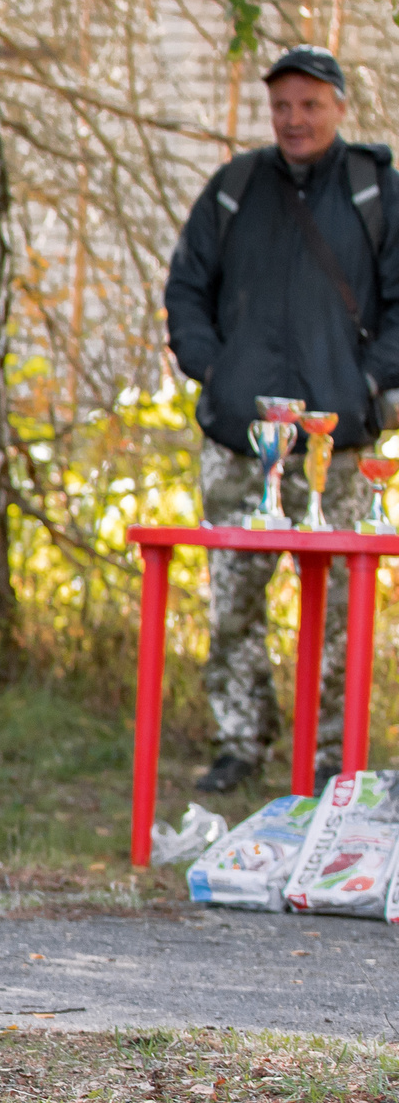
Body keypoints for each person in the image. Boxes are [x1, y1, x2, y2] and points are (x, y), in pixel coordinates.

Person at [166, 45, 399, 792]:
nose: (294, 120)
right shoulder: (235, 187)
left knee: (336, 613)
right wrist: (220, 375)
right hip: (241, 440)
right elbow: (185, 291)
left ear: (337, 105)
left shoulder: (376, 191)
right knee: (233, 597)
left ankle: (332, 756)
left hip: (340, 439)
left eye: (309, 105)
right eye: (281, 106)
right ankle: (241, 742)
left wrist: (364, 384)